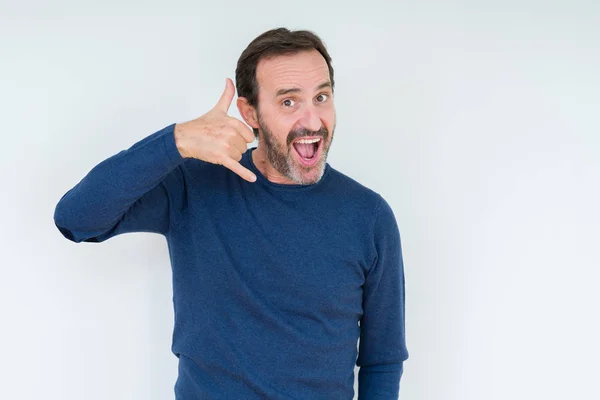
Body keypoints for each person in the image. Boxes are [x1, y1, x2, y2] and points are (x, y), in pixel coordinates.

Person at [53, 27, 409, 400]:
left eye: (322, 97)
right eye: (289, 102)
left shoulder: (368, 216)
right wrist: (174, 142)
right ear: (250, 112)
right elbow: (76, 219)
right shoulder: (195, 184)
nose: (313, 119)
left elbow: (381, 360)